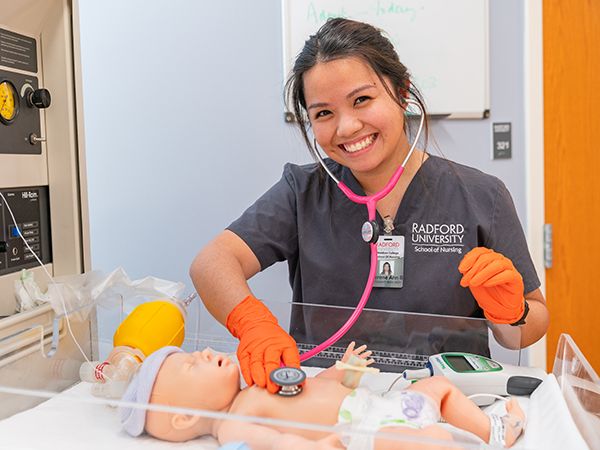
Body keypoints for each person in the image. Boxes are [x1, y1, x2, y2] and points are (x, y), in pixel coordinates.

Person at [189, 18, 549, 394]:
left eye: (362, 99)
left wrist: (512, 313)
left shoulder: (480, 196)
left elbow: (527, 331)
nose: (346, 127)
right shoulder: (302, 191)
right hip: (329, 403)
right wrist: (252, 322)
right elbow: (212, 262)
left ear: (402, 91)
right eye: (323, 113)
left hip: (441, 406)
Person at [119, 343, 525, 449]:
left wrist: (341, 374)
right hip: (360, 434)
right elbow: (279, 441)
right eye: (193, 365)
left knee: (437, 388)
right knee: (434, 441)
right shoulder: (231, 425)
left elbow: (312, 390)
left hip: (380, 406)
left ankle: (492, 430)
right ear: (185, 418)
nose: (205, 353)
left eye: (194, 353)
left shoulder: (258, 385)